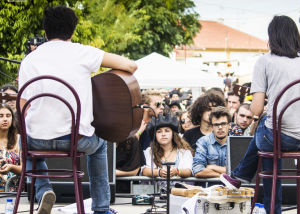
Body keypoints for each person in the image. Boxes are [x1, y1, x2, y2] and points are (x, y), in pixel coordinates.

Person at [18, 6, 137, 214]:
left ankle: (44, 190)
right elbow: (130, 66)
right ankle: (101, 208)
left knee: (24, 141)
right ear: (72, 32)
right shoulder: (83, 52)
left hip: (37, 140)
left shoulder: (29, 60)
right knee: (101, 144)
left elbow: (22, 110)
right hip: (76, 140)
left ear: (45, 32)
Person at [219, 15, 300, 214]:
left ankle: (243, 179)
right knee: (269, 132)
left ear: (272, 37)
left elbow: (255, 110)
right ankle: (238, 176)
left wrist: (267, 104)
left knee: (266, 126)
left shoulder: (264, 62)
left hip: (282, 140)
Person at [142, 114, 193, 178]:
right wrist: (158, 172)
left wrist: (177, 171)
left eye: (167, 131)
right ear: (155, 135)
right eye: (159, 132)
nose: (163, 134)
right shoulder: (149, 151)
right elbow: (144, 171)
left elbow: (189, 171)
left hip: (179, 188)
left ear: (173, 134)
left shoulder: (184, 152)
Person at [192, 106, 231, 178]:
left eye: (223, 124)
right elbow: (197, 170)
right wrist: (224, 176)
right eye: (216, 124)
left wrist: (212, 167)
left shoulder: (235, 142)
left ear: (229, 125)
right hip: (209, 187)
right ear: (212, 127)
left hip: (231, 187)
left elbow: (238, 172)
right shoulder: (203, 142)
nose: (220, 127)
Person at [0, 104, 21, 192]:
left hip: (15, 191)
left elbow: (25, 168)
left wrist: (11, 167)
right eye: (1, 116)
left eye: (8, 116)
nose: (5, 119)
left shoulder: (19, 139)